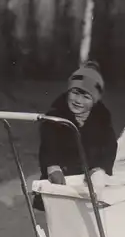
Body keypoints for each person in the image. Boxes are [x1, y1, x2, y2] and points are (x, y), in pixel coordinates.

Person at [33, 61, 118, 211]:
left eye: (86, 96)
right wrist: (52, 167)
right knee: (58, 212)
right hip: (61, 176)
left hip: (88, 178)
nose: (78, 101)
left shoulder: (102, 120)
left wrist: (100, 169)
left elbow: (109, 147)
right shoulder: (55, 117)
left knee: (89, 210)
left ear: (95, 100)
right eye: (75, 93)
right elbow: (47, 146)